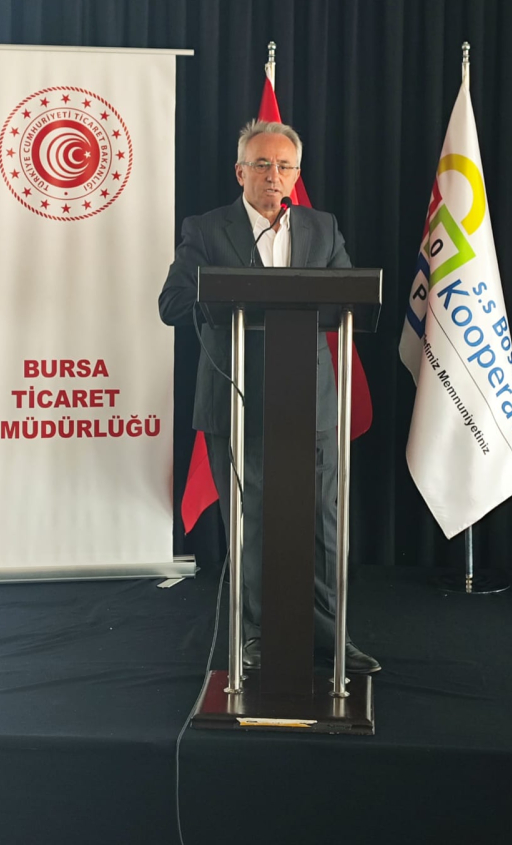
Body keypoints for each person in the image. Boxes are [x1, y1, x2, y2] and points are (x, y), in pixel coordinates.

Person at [159, 118, 380, 674]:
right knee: (251, 521)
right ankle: (255, 633)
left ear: (296, 175)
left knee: (323, 522)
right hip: (235, 398)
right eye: (261, 164)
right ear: (240, 172)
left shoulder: (322, 228)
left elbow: (350, 297)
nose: (273, 175)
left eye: (284, 166)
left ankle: (329, 635)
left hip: (311, 402)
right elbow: (173, 302)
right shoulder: (206, 229)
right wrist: (233, 295)